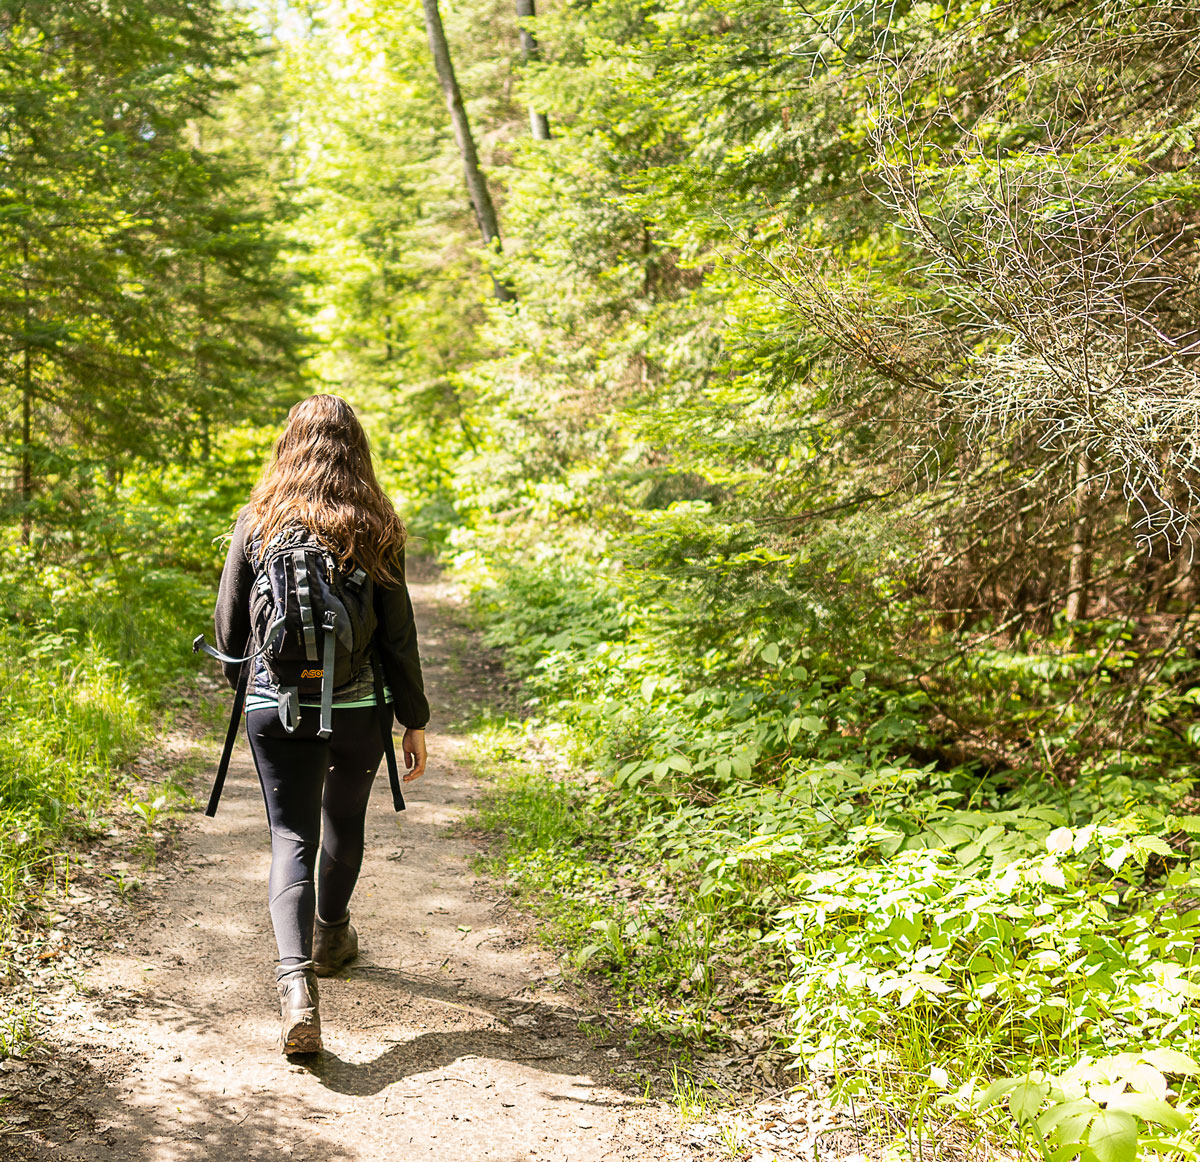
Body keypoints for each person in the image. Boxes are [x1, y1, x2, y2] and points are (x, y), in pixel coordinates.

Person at [212, 394, 429, 1055]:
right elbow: (398, 636)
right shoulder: (374, 523)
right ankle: (332, 935)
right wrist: (412, 720)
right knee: (344, 825)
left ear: (289, 445)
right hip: (359, 707)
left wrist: (256, 697)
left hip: (276, 705)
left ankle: (297, 989)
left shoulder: (258, 522)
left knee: (290, 837)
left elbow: (230, 632)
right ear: (356, 449)